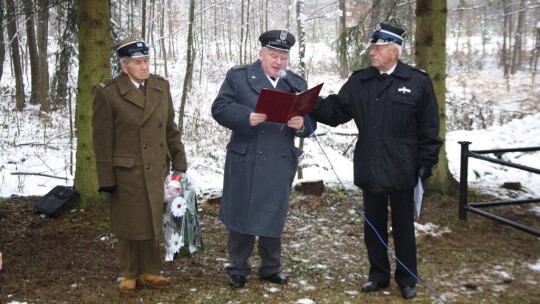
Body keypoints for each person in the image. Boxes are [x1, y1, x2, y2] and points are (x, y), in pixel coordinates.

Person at [309, 23, 442, 300]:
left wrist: (426, 162)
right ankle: (378, 275)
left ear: (395, 51)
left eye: (378, 48)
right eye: (372, 47)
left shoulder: (417, 82)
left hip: (404, 169)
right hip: (370, 167)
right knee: (374, 227)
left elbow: (429, 128)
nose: (373, 52)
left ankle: (407, 279)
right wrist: (310, 102)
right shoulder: (361, 81)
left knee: (404, 227)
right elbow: (336, 111)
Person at [211, 30, 317, 288]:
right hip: (246, 157)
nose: (278, 61)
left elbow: (312, 123)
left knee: (273, 212)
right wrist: (246, 116)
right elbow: (219, 108)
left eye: (283, 57)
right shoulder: (239, 77)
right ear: (261, 54)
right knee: (242, 212)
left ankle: (270, 267)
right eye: (273, 55)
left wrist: (302, 124)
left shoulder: (296, 84)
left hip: (279, 158)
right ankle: (238, 267)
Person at [92, 36, 188, 293]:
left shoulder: (160, 87)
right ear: (124, 66)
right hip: (126, 169)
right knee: (129, 221)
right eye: (138, 62)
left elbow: (170, 128)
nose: (145, 67)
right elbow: (102, 140)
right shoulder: (108, 93)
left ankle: (150, 271)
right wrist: (106, 179)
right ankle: (129, 272)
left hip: (157, 165)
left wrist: (180, 161)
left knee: (153, 219)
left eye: (146, 60)